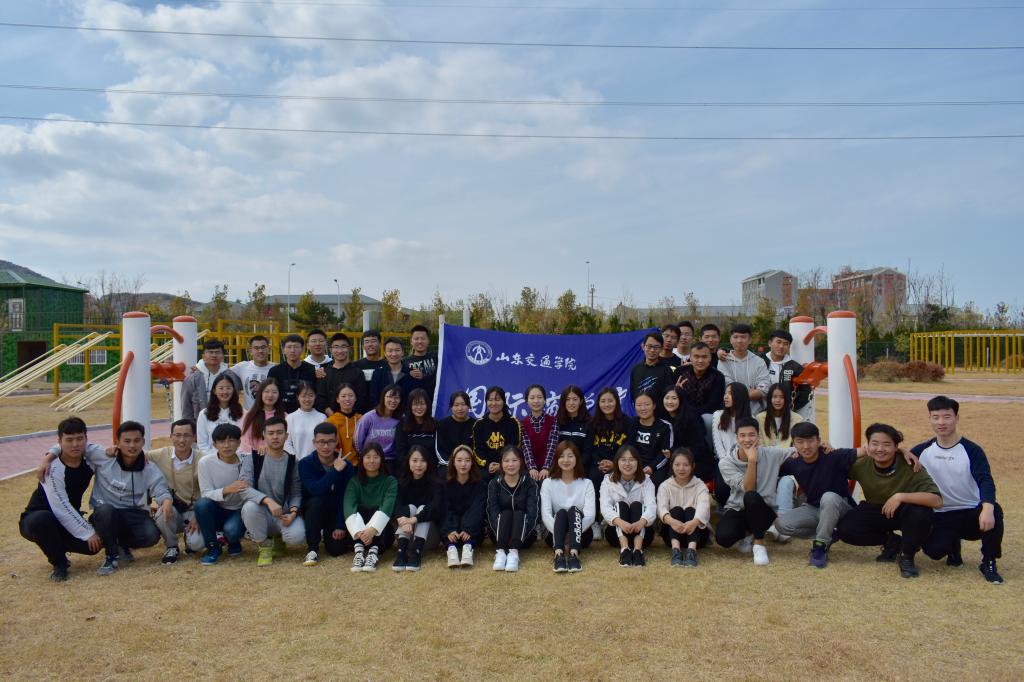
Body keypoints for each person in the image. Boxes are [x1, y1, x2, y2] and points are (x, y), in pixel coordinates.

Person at [44, 421, 172, 576]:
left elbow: (161, 489)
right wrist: (49, 457)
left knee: (151, 535)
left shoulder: (149, 467)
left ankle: (121, 545)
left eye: (136, 441)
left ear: (143, 442)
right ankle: (111, 556)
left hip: (133, 513)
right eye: (127, 441)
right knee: (106, 511)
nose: (132, 445)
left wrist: (166, 501)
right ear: (117, 442)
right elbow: (72, 444)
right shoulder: (103, 455)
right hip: (104, 513)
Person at [912, 396, 1004, 584]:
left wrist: (987, 508)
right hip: (941, 514)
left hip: (970, 512)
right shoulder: (922, 450)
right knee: (934, 551)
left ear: (956, 418)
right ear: (930, 419)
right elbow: (895, 457)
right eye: (936, 417)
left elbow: (985, 480)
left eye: (947, 417)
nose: (941, 422)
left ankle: (989, 562)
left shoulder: (972, 450)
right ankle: (953, 547)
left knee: (995, 510)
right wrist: (902, 451)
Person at [836, 423, 943, 578]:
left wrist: (900, 496)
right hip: (875, 509)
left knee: (920, 512)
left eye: (886, 444)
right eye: (875, 443)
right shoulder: (861, 463)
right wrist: (825, 448)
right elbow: (832, 463)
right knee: (846, 529)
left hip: (905, 512)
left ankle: (907, 555)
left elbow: (937, 501)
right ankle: (892, 542)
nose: (880, 449)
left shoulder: (910, 465)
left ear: (895, 447)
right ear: (867, 445)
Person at [20, 417, 100, 581]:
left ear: (86, 438)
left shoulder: (89, 458)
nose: (75, 444)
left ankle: (55, 544)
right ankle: (59, 563)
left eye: (79, 439)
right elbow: (61, 506)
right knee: (42, 520)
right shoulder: (52, 468)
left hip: (65, 519)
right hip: (37, 519)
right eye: (69, 440)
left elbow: (107, 452)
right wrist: (88, 532)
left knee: (92, 547)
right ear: (59, 441)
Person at [773, 422, 858, 569]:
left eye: (810, 441)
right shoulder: (793, 462)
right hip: (814, 508)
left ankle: (820, 546)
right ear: (794, 443)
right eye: (800, 442)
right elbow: (768, 468)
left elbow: (866, 451)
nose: (806, 446)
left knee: (828, 497)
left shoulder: (832, 455)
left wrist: (898, 450)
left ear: (819, 440)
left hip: (840, 507)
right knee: (781, 525)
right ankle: (829, 532)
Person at [715, 417, 792, 566]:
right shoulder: (726, 463)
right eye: (742, 435)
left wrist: (822, 446)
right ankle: (751, 532)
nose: (747, 439)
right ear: (736, 438)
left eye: (751, 435)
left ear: (759, 436)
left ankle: (759, 544)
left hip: (764, 508)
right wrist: (751, 460)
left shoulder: (771, 453)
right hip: (738, 508)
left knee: (752, 498)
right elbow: (748, 487)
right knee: (723, 538)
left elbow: (799, 450)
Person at [240, 417, 306, 567]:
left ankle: (278, 539)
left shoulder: (293, 462)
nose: (275, 437)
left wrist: (293, 513)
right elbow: (244, 488)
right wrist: (267, 500)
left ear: (286, 436)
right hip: (260, 512)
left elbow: (296, 492)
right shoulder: (253, 458)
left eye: (279, 432)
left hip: (283, 514)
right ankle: (264, 545)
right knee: (249, 507)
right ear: (264, 435)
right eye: (270, 433)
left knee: (297, 536)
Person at [195, 423, 258, 565]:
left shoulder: (247, 460)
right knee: (202, 504)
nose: (227, 445)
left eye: (231, 440)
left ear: (239, 442)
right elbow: (206, 493)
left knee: (232, 531)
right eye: (222, 441)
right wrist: (227, 489)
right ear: (214, 444)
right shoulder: (205, 463)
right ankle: (212, 548)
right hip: (217, 509)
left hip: (239, 510)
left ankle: (233, 541)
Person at [148, 418, 205, 564]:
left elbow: (208, 491)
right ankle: (172, 546)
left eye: (186, 435)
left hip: (194, 510)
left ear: (194, 437)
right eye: (177, 435)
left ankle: (190, 541)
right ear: (171, 436)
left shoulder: (203, 459)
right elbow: (136, 455)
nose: (181, 440)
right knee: (162, 512)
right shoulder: (161, 454)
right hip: (172, 508)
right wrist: (113, 450)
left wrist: (200, 516)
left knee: (197, 544)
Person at [298, 422, 356, 566]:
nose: (326, 446)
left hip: (334, 512)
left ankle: (331, 535)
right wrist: (335, 471)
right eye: (321, 442)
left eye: (330, 441)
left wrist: (340, 525)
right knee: (316, 502)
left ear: (336, 442)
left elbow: (346, 497)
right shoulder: (305, 463)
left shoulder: (347, 465)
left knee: (336, 550)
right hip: (313, 510)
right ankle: (312, 548)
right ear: (314, 442)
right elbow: (315, 489)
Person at [540, 441, 596, 573]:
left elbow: (590, 516)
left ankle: (574, 554)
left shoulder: (587, 483)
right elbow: (546, 515)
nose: (566, 460)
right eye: (562, 456)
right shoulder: (548, 483)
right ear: (556, 459)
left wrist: (573, 534)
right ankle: (558, 555)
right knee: (561, 513)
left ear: (577, 458)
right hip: (554, 535)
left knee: (573, 510)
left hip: (581, 535)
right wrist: (560, 533)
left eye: (570, 456)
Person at [757, 382, 805, 535]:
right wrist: (785, 453)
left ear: (787, 399)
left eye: (781, 397)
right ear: (769, 399)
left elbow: (799, 447)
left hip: (790, 467)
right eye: (774, 397)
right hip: (767, 466)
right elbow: (760, 448)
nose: (777, 400)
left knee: (785, 482)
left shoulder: (797, 419)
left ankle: (783, 526)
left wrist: (785, 453)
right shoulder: (760, 418)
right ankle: (776, 526)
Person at [343, 442, 398, 572]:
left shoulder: (390, 481)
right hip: (359, 534)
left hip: (382, 533)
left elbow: (387, 507)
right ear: (362, 460)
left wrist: (372, 530)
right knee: (360, 509)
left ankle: (373, 553)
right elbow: (348, 506)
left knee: (377, 509)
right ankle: (359, 552)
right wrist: (359, 532)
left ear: (381, 459)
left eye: (376, 457)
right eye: (368, 457)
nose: (372, 461)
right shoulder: (354, 481)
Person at [600, 445, 657, 567]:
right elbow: (605, 507)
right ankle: (624, 550)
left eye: (631, 460)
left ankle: (638, 551)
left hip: (642, 534)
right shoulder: (608, 481)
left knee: (636, 505)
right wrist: (621, 523)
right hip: (616, 534)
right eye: (623, 460)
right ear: (617, 462)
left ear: (638, 462)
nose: (627, 463)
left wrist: (641, 522)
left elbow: (652, 506)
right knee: (621, 505)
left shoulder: (647, 481)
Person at [486, 445, 540, 572]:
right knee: (506, 512)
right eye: (506, 461)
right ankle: (500, 553)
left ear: (521, 462)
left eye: (514, 460)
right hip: (499, 535)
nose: (510, 464)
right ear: (501, 463)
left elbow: (533, 513)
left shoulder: (530, 483)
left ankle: (514, 554)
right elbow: (492, 512)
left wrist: (519, 533)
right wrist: (502, 534)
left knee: (519, 513)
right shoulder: (494, 483)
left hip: (524, 536)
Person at [392, 445, 444, 572]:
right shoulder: (401, 483)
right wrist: (405, 521)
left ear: (428, 463)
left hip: (428, 538)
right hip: (405, 535)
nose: (418, 465)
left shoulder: (436, 483)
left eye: (423, 461)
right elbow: (396, 507)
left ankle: (416, 553)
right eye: (414, 460)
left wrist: (413, 519)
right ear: (408, 462)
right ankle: (401, 552)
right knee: (409, 507)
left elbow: (436, 509)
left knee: (423, 508)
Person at [657, 448, 711, 568]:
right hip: (671, 534)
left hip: (697, 536)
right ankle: (676, 551)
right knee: (676, 510)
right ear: (672, 465)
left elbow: (704, 507)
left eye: (686, 465)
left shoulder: (700, 485)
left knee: (690, 510)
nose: (681, 469)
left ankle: (691, 552)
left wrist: (694, 522)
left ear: (692, 466)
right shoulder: (665, 486)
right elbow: (661, 508)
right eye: (677, 465)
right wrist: (672, 521)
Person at [443, 445, 486, 568]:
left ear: (472, 463)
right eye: (459, 460)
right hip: (452, 529)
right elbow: (445, 509)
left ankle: (468, 547)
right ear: (453, 462)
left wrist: (468, 529)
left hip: (472, 529)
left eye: (467, 460)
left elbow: (478, 509)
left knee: (475, 526)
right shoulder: (445, 484)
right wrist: (449, 529)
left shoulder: (480, 485)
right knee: (448, 527)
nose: (463, 464)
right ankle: (451, 549)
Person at [711, 382, 753, 507]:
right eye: (725, 393)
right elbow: (717, 444)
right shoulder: (718, 416)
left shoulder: (752, 419)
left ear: (739, 396)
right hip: (724, 461)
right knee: (722, 489)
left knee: (748, 489)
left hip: (744, 462)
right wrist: (727, 463)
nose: (725, 397)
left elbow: (751, 445)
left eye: (730, 393)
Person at [180, 339, 242, 423]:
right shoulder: (192, 379)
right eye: (210, 352)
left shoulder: (231, 376)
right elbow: (186, 407)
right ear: (203, 355)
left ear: (223, 355)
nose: (214, 355)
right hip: (200, 423)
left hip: (228, 422)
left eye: (217, 352)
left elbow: (235, 400)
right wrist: (190, 426)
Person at [661, 387, 714, 482]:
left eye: (674, 398)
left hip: (695, 460)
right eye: (667, 398)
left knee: (672, 479)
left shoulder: (691, 417)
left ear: (681, 400)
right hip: (671, 459)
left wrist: (673, 452)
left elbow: (698, 447)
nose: (669, 402)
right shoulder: (662, 416)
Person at [584, 387, 631, 495]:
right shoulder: (592, 424)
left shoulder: (627, 423)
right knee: (594, 477)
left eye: (610, 401)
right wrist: (600, 463)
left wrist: (615, 464)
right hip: (598, 465)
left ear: (617, 402)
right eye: (603, 401)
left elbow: (629, 447)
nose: (607, 404)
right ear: (598, 404)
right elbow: (589, 449)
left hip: (620, 464)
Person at [471, 386, 523, 480]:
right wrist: (488, 464)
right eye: (490, 400)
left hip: (509, 465)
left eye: (497, 400)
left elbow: (515, 447)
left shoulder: (513, 423)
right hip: (486, 467)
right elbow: (477, 449)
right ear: (486, 402)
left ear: (503, 401)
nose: (494, 403)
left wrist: (502, 464)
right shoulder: (479, 424)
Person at [717, 324, 770, 415]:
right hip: (731, 412)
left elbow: (764, 389)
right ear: (730, 340)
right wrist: (751, 392)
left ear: (750, 340)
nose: (739, 340)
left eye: (743, 337)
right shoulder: (723, 361)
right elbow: (727, 386)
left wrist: (737, 393)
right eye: (735, 337)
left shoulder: (759, 362)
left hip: (757, 412)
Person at [762, 330, 812, 421]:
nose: (781, 346)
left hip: (785, 413)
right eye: (778, 342)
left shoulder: (795, 367)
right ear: (770, 343)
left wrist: (791, 406)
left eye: (786, 344)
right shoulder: (759, 361)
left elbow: (806, 391)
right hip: (760, 411)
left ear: (789, 347)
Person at [316, 332, 370, 415]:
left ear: (349, 349)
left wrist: (346, 416)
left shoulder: (357, 373)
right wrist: (334, 416)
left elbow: (361, 398)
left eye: (343, 346)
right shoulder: (324, 372)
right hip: (329, 418)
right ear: (330, 350)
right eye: (336, 347)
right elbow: (320, 398)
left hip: (352, 417)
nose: (340, 350)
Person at [627, 392, 673, 486]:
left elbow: (666, 454)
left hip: (656, 467)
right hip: (633, 465)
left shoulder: (665, 426)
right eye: (639, 405)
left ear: (654, 406)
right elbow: (626, 448)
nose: (643, 408)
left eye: (647, 404)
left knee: (654, 483)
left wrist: (652, 467)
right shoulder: (631, 424)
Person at [354, 385, 403, 472]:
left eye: (396, 398)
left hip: (390, 460)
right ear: (383, 397)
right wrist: (364, 455)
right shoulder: (369, 417)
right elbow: (358, 439)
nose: (393, 401)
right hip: (370, 459)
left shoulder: (401, 419)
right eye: (389, 397)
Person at [674, 342, 726, 421]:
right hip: (681, 413)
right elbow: (671, 396)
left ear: (710, 358)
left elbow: (714, 405)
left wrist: (691, 413)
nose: (700, 360)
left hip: (705, 417)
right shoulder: (680, 372)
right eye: (696, 356)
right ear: (690, 358)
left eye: (704, 357)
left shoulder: (718, 377)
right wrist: (676, 391)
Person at [195, 374, 244, 457]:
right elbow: (202, 444)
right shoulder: (204, 414)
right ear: (214, 391)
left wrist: (233, 458)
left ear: (233, 390)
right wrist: (216, 458)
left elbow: (244, 442)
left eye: (228, 388)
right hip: (211, 459)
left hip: (236, 459)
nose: (225, 392)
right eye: (221, 388)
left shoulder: (243, 413)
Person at [268, 334, 318, 414]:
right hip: (281, 414)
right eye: (289, 347)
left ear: (302, 349)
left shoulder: (311, 370)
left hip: (306, 413)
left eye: (296, 347)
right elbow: (270, 394)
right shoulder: (275, 371)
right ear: (283, 350)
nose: (292, 350)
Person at [521, 384, 557, 482]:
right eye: (532, 398)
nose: (536, 401)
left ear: (544, 400)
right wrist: (531, 468)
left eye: (539, 397)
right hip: (529, 468)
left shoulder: (553, 421)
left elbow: (552, 446)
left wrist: (546, 467)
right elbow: (526, 448)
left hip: (550, 467)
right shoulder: (522, 423)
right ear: (527, 401)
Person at [240, 378, 285, 455]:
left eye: (274, 392)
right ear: (260, 393)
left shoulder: (285, 416)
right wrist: (255, 455)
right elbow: (245, 441)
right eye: (266, 392)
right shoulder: (250, 415)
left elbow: (287, 442)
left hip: (277, 457)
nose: (270, 395)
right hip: (254, 458)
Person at [231, 335, 277, 411]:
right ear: (251, 351)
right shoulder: (241, 367)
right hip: (250, 415)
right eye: (256, 348)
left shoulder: (276, 368)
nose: (260, 351)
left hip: (271, 414)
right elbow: (222, 375)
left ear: (268, 349)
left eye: (263, 347)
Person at [394, 388, 438, 465]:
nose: (419, 407)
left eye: (422, 404)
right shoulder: (402, 425)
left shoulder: (435, 424)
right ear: (410, 406)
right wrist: (413, 465)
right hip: (408, 467)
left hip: (431, 467)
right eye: (415, 404)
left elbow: (438, 450)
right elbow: (400, 451)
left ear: (427, 405)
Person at [630, 331, 676, 404]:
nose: (652, 350)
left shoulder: (667, 370)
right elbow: (633, 395)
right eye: (649, 346)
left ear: (661, 348)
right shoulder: (636, 369)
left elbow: (669, 395)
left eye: (656, 347)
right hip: (640, 410)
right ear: (643, 346)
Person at [285, 381, 327, 459]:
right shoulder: (290, 418)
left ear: (315, 396)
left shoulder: (322, 417)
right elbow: (286, 443)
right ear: (298, 397)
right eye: (303, 396)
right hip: (296, 462)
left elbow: (325, 442)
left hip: (317, 462)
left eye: (311, 395)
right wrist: (296, 459)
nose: (307, 399)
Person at [369, 337, 413, 407]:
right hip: (383, 412)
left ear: (402, 352)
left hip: (405, 413)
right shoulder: (378, 373)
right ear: (385, 353)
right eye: (390, 351)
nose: (394, 354)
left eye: (397, 350)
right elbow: (373, 397)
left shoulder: (411, 373)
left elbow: (413, 397)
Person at [435, 391, 474, 472]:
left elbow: (478, 449)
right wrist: (453, 465)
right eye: (456, 405)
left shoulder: (476, 425)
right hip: (448, 465)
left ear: (468, 406)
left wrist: (467, 464)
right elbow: (439, 450)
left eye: (463, 404)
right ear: (451, 407)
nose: (460, 408)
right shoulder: (442, 424)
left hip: (470, 465)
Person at [326, 383, 362, 465]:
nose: (347, 399)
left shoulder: (362, 419)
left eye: (351, 396)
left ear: (355, 398)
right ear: (337, 399)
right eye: (343, 396)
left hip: (361, 464)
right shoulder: (331, 421)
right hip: (339, 463)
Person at [554, 385, 590, 454]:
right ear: (563, 402)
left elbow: (588, 451)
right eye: (568, 399)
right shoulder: (556, 422)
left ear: (581, 401)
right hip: (561, 460)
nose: (571, 403)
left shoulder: (589, 423)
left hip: (582, 461)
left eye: (575, 399)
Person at [405, 324, 438, 398]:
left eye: (423, 339)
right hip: (413, 403)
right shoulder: (404, 362)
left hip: (434, 401)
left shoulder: (437, 357)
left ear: (428, 341)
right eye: (416, 339)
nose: (420, 341)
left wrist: (423, 377)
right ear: (411, 341)